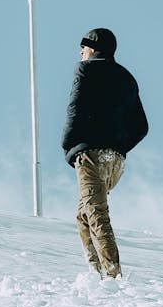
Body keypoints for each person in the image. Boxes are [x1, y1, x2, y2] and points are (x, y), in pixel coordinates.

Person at [61, 28, 148, 278]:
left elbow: (75, 108)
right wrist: (119, 146)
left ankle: (111, 275)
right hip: (115, 161)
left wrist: (69, 145)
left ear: (94, 47)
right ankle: (96, 272)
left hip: (89, 153)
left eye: (84, 46)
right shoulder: (128, 78)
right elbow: (142, 126)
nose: (81, 51)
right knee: (84, 214)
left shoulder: (86, 69)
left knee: (96, 212)